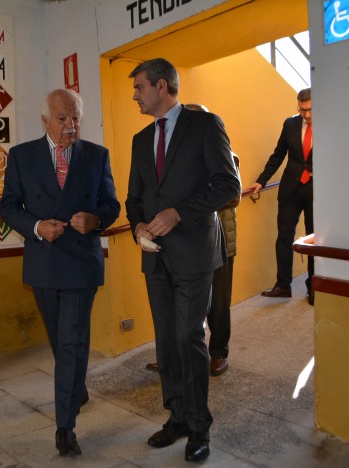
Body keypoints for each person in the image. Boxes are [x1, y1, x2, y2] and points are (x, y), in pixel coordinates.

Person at [125, 59, 241, 463]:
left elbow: (229, 185)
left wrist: (179, 212)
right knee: (166, 339)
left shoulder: (205, 126)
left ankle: (198, 426)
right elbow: (134, 198)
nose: (135, 95)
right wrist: (138, 225)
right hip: (155, 259)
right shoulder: (141, 140)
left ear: (162, 86)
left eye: (140, 87)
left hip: (193, 252)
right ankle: (175, 416)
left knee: (190, 337)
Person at [0, 89, 120, 457]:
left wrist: (96, 218)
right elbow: (8, 206)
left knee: (71, 342)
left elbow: (112, 204)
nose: (71, 126)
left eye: (76, 118)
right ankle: (75, 386)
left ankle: (65, 427)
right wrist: (36, 227)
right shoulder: (21, 156)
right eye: (63, 119)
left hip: (81, 264)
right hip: (43, 263)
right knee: (60, 340)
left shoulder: (96, 155)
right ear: (45, 121)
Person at [145, 103, 241, 378]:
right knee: (180, 306)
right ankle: (174, 357)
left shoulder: (226, 155)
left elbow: (232, 195)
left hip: (220, 238)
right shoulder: (175, 157)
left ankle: (219, 353)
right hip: (184, 241)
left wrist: (193, 203)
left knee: (219, 302)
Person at [249, 88, 314, 305]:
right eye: (301, 109)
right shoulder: (290, 124)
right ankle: (283, 285)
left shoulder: (331, 123)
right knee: (284, 236)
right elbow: (278, 155)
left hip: (316, 190)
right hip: (290, 190)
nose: (305, 115)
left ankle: (314, 287)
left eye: (309, 110)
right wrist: (262, 180)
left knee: (316, 240)